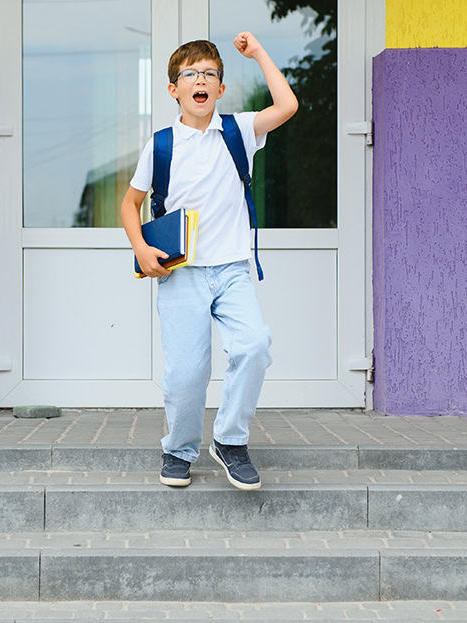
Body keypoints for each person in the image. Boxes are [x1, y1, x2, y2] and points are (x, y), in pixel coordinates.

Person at [120, 32, 298, 490]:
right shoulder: (161, 145)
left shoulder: (238, 131)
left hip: (233, 270)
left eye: (209, 74)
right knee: (186, 372)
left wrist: (258, 52)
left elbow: (287, 105)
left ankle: (230, 441)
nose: (200, 80)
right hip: (182, 275)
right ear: (173, 89)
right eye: (190, 74)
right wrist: (141, 247)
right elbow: (130, 203)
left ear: (220, 88)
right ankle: (179, 449)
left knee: (254, 345)